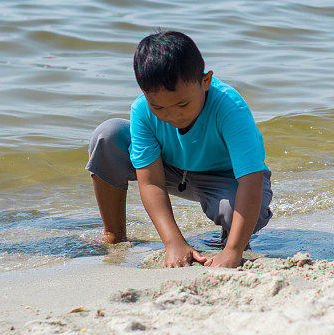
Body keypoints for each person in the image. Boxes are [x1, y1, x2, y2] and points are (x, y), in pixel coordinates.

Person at [86, 30, 272, 268]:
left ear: (205, 81)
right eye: (159, 107)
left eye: (183, 104)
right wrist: (173, 242)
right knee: (107, 135)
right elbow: (151, 182)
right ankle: (114, 234)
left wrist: (233, 251)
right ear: (144, 93)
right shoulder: (142, 110)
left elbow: (251, 180)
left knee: (234, 211)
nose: (173, 115)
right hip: (171, 170)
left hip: (227, 177)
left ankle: (233, 239)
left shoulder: (230, 107)